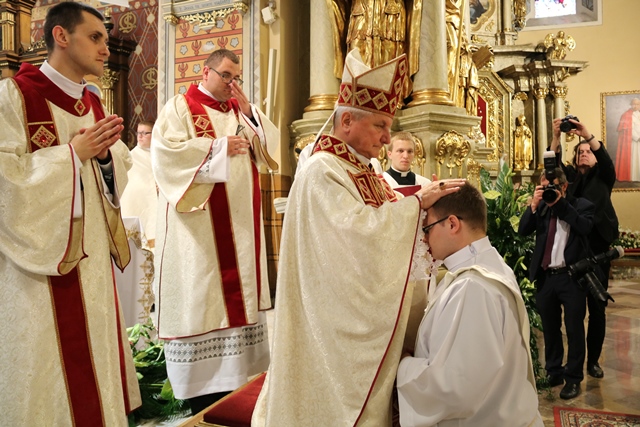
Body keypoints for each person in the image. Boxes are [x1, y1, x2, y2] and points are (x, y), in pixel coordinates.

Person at [252, 49, 465, 426]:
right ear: (347, 120)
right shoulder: (322, 170)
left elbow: (382, 219)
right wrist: (417, 205)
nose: (386, 138)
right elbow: (356, 233)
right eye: (380, 125)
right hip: (331, 317)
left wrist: (420, 208)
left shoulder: (362, 169)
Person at [0, 2, 141, 425]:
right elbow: (6, 180)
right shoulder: (14, 97)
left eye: (105, 40)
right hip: (38, 271)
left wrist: (106, 159)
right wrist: (71, 156)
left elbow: (117, 171)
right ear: (61, 36)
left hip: (90, 266)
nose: (104, 49)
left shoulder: (93, 103)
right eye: (95, 37)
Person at [152, 48, 279, 415]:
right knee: (203, 299)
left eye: (236, 77)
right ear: (205, 72)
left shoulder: (239, 111)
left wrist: (251, 112)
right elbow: (166, 155)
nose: (231, 83)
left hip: (241, 229)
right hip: (199, 234)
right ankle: (201, 399)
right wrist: (217, 147)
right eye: (225, 75)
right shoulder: (180, 108)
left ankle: (236, 388)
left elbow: (267, 154)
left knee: (237, 307)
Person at [397, 183, 542, 427]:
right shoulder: (489, 265)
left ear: (452, 224)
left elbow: (453, 387)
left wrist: (403, 364)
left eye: (427, 228)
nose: (424, 238)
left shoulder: (472, 287)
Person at [551, 117, 619, 379]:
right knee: (576, 310)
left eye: (588, 151)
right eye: (580, 151)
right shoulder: (570, 180)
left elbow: (606, 159)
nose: (584, 154)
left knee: (597, 309)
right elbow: (552, 167)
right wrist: (556, 137)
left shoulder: (603, 176)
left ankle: (593, 361)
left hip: (598, 250)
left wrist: (587, 135)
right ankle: (575, 363)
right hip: (574, 250)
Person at [518, 167, 595, 400]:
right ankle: (554, 371)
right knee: (550, 328)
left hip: (571, 277)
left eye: (552, 187)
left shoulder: (582, 205)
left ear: (564, 186)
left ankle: (573, 378)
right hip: (546, 276)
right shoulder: (541, 207)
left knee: (574, 329)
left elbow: (584, 227)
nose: (548, 191)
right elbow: (523, 230)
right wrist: (533, 205)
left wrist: (559, 204)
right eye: (544, 187)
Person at [120, 120, 157, 248]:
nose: (140, 136)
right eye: (138, 133)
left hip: (156, 201)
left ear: (154, 134)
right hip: (137, 202)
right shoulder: (131, 157)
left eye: (145, 133)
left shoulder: (160, 155)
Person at [615, 98, 640, 182]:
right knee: (633, 159)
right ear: (631, 105)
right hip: (632, 142)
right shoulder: (626, 115)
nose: (635, 106)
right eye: (634, 104)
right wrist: (637, 137)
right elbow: (627, 130)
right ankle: (633, 177)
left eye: (637, 104)